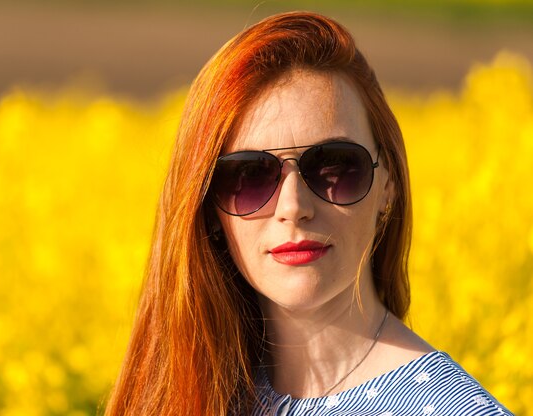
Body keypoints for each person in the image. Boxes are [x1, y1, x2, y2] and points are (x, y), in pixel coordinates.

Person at [104, 11, 513, 415]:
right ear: (208, 205)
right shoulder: (183, 389)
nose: (294, 207)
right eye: (249, 175)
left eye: (334, 166)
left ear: (388, 183)